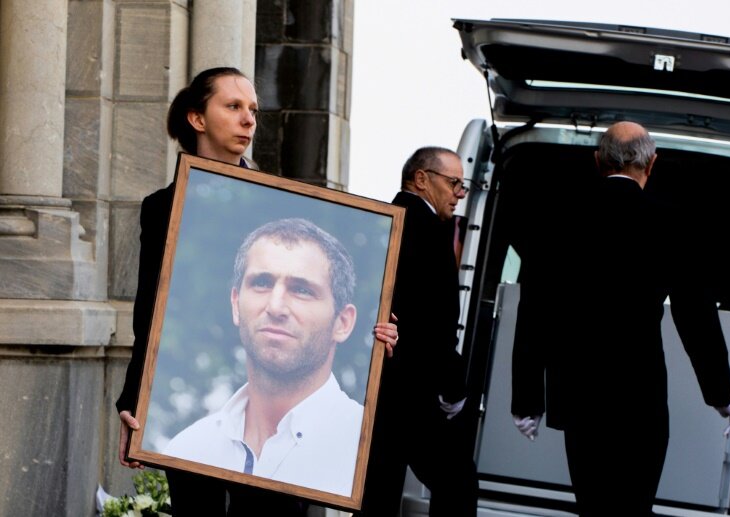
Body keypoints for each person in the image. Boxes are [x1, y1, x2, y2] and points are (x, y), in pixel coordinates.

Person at [115, 67, 399, 516]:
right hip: (198, 399)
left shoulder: (286, 203)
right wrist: (135, 401)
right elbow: (150, 310)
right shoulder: (163, 207)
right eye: (233, 106)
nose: (249, 119)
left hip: (283, 404)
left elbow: (337, 289)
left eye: (253, 109)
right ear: (197, 118)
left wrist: (377, 330)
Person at [510, 121, 730, 516]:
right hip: (640, 398)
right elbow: (696, 316)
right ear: (651, 164)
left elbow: (535, 310)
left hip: (579, 398)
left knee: (593, 507)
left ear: (597, 161)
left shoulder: (559, 219)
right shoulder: (671, 223)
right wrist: (721, 394)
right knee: (635, 508)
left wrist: (527, 400)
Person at [163, 217, 368, 496]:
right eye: (261, 283)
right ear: (235, 304)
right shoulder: (188, 450)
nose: (275, 306)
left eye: (302, 290)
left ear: (342, 323)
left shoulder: (364, 448)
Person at [356, 146, 479, 516]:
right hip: (412, 390)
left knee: (378, 493)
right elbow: (434, 322)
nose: (460, 193)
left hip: (375, 387)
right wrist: (453, 387)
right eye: (454, 183)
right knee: (458, 481)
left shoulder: (379, 222)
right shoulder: (427, 229)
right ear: (422, 179)